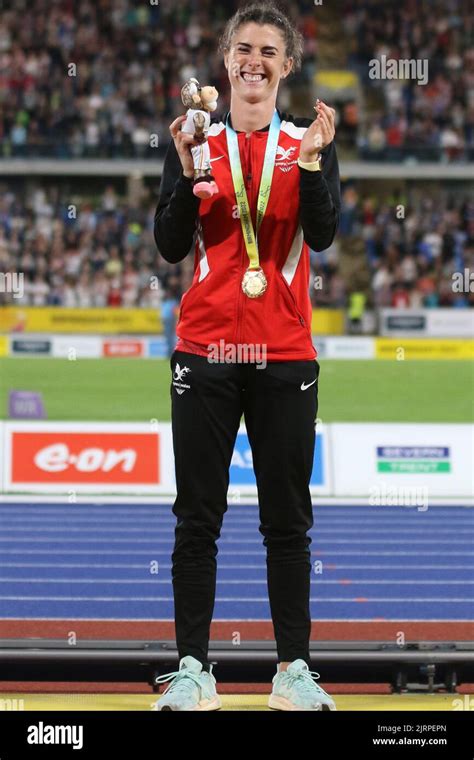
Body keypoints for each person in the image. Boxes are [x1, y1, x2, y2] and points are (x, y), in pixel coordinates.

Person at [152, 1, 340, 711]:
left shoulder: (307, 141)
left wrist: (316, 163)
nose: (254, 61)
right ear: (226, 61)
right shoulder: (197, 141)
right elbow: (171, 245)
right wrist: (180, 172)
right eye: (243, 49)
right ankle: (194, 671)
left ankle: (292, 670)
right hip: (204, 351)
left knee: (287, 522)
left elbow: (321, 236)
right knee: (197, 517)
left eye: (269, 51)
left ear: (286, 66)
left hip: (284, 354)